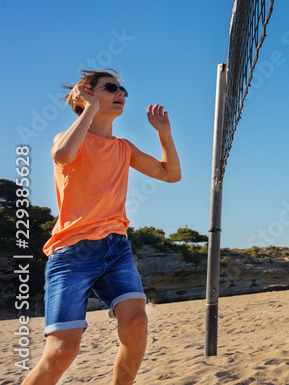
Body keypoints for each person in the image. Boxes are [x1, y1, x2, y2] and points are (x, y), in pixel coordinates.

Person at [23, 70, 182, 385]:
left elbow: (170, 174)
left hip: (116, 248)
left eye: (123, 88)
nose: (121, 92)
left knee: (136, 322)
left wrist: (164, 132)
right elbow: (63, 154)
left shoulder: (124, 147)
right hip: (71, 254)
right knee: (61, 351)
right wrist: (90, 109)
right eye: (111, 87)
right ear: (87, 93)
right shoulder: (68, 139)